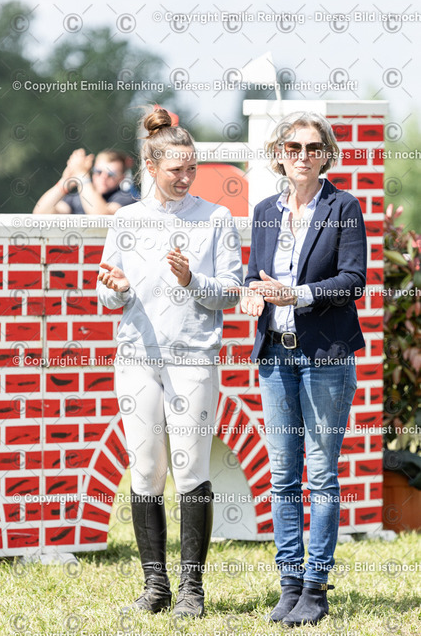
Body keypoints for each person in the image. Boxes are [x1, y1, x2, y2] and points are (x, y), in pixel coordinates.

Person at [96, 108, 243, 617]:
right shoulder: (127, 220)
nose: (185, 177)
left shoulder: (216, 218)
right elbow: (107, 293)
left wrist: (191, 281)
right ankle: (155, 586)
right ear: (152, 166)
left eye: (192, 168)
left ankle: (192, 590)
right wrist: (117, 289)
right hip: (137, 359)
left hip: (193, 358)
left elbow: (231, 292)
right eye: (176, 169)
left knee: (190, 469)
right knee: (145, 470)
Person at [239, 111, 367, 626]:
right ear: (279, 154)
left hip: (325, 358)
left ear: (326, 154)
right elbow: (254, 276)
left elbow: (354, 281)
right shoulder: (264, 211)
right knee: (283, 475)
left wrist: (298, 294)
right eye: (293, 148)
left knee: (321, 474)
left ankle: (316, 588)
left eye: (313, 148)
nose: (303, 156)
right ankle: (289, 584)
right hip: (276, 355)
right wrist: (252, 295)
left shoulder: (344, 207)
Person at [33, 148, 136, 214]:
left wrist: (82, 176)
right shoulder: (76, 198)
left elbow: (101, 218)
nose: (103, 177)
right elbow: (40, 213)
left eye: (111, 174)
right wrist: (66, 181)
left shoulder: (127, 199)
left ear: (121, 178)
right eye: (98, 172)